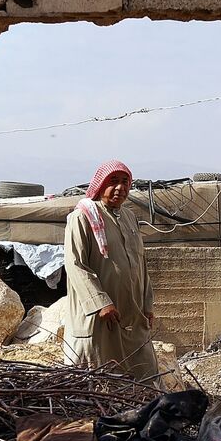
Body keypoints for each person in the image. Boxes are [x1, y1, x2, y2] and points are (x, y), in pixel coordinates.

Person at [62, 160, 159, 381]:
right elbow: (75, 265)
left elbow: (140, 264)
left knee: (144, 376)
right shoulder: (82, 216)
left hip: (132, 314)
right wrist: (100, 303)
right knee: (98, 377)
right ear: (100, 184)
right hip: (99, 318)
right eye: (113, 181)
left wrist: (147, 304)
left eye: (125, 182)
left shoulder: (129, 217)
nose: (120, 187)